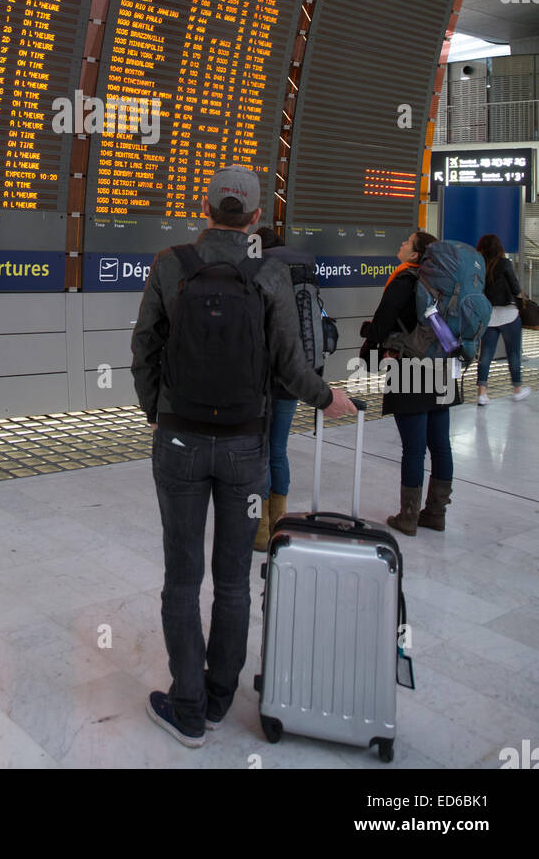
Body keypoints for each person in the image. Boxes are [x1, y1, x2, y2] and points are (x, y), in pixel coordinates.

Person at [131, 165, 357, 747]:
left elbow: (144, 345)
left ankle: (184, 708)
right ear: (257, 217)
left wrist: (155, 408)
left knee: (181, 579)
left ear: (205, 210)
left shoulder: (170, 263)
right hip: (245, 448)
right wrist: (328, 397)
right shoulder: (269, 274)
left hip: (178, 442)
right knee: (233, 580)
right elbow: (289, 365)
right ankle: (217, 698)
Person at [359, 229, 453, 535]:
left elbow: (382, 322)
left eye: (406, 242)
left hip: (409, 367)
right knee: (440, 445)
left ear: (415, 255)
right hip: (442, 365)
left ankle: (409, 517)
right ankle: (436, 514)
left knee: (413, 448)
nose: (401, 244)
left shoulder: (404, 281)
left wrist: (369, 351)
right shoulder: (445, 283)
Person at [251, 225, 323, 550]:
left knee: (260, 450)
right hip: (296, 372)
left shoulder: (262, 271)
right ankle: (279, 523)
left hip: (263, 375)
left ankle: (260, 530)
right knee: (277, 448)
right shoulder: (305, 271)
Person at [475, 234, 531, 405]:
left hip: (489, 316)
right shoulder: (505, 263)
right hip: (509, 315)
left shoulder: (479, 265)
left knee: (485, 355)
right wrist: (522, 295)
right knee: (513, 354)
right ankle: (517, 389)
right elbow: (514, 287)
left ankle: (482, 394)